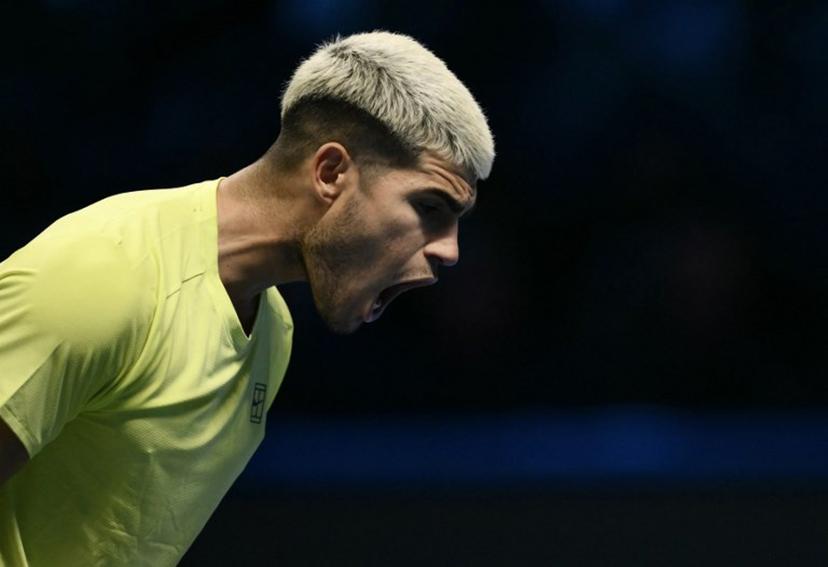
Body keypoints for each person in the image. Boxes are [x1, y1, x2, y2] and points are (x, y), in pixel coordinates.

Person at [0, 30, 494, 565]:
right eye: (429, 207)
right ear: (331, 173)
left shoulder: (272, 330)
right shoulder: (105, 275)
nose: (450, 251)